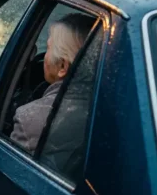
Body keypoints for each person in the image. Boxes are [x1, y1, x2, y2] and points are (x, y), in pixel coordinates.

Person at [9, 13, 96, 154]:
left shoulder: (29, 119)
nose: (44, 56)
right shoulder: (119, 108)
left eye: (48, 48)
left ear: (62, 66)